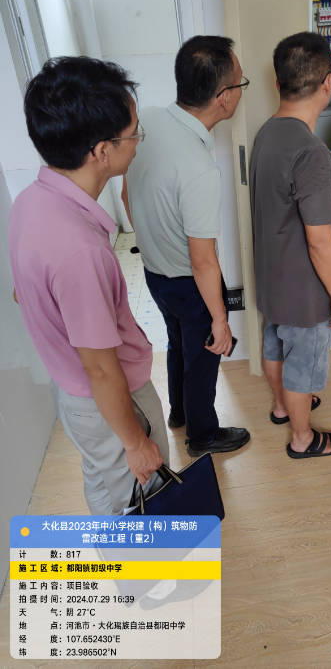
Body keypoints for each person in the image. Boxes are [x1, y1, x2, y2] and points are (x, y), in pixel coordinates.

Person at [9, 57, 168, 515]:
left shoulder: (29, 203)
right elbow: (100, 369)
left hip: (72, 395)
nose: (137, 142)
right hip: (110, 403)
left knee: (103, 487)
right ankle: (142, 566)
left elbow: (24, 292)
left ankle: (115, 557)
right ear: (102, 151)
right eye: (134, 133)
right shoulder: (81, 251)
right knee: (144, 501)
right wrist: (135, 442)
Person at [123, 36, 250, 457]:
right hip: (188, 282)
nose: (241, 90)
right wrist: (221, 319)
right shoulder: (199, 170)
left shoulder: (147, 121)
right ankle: (203, 435)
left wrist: (152, 239)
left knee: (178, 343)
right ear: (224, 97)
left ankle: (178, 412)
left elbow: (126, 193)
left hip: (155, 274)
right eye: (240, 83)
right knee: (205, 356)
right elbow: (203, 261)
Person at [250, 32, 331, 460]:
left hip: (271, 278)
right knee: (302, 365)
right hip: (303, 291)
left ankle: (281, 407)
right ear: (329, 82)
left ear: (278, 84)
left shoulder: (266, 133)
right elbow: (320, 241)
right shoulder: (311, 153)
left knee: (274, 344)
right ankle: (301, 439)